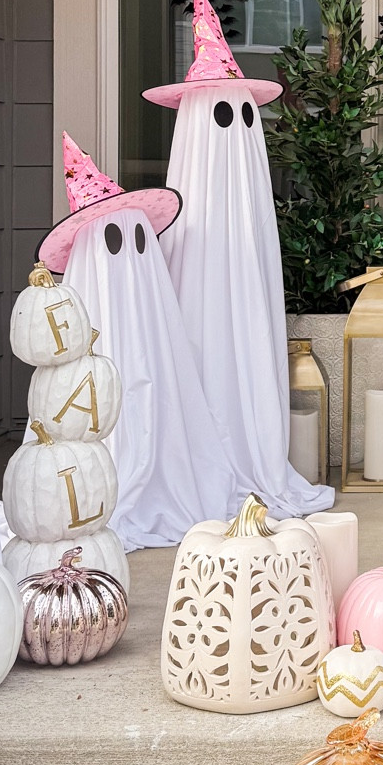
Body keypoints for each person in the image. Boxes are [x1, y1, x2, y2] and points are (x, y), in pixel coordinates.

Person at [145, 0, 333, 518]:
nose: (237, 125)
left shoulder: (252, 210)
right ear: (194, 125)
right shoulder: (190, 206)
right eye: (224, 116)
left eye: (245, 114)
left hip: (243, 243)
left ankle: (253, 455)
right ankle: (211, 458)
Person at [42, 135, 247, 550]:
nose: (132, 257)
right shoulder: (86, 324)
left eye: (139, 241)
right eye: (116, 243)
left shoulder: (158, 322)